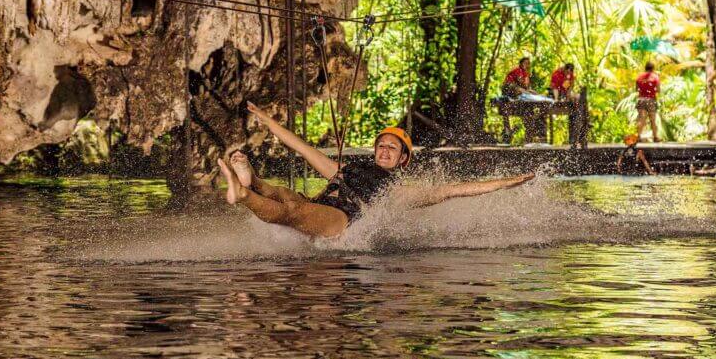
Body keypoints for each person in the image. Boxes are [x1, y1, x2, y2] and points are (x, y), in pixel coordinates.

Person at [218, 102, 536, 238]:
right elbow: (301, 147)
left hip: (338, 221)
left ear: (402, 160)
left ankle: (244, 193)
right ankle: (251, 181)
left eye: (391, 148)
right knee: (287, 196)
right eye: (381, 145)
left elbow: (451, 190)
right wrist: (266, 118)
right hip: (319, 203)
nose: (384, 150)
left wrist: (507, 182)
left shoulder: (395, 191)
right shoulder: (342, 169)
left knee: (294, 210)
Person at [635, 61, 661, 142]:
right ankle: (655, 137)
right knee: (653, 119)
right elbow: (658, 90)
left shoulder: (639, 76)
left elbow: (637, 89)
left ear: (645, 67)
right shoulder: (655, 77)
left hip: (641, 99)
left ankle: (638, 136)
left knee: (641, 119)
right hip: (651, 99)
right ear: (653, 68)